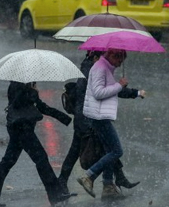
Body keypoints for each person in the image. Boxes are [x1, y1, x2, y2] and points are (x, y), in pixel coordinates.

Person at [58, 51, 142, 195]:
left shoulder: (92, 68)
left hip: (87, 117)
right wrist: (125, 89)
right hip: (88, 118)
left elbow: (108, 91)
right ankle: (91, 179)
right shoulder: (94, 69)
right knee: (109, 150)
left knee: (107, 149)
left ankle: (109, 183)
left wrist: (132, 92)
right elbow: (98, 93)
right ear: (95, 57)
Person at [0, 81, 75, 207]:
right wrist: (32, 91)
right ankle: (55, 194)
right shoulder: (17, 84)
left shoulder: (27, 85)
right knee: (41, 159)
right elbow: (17, 102)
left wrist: (64, 118)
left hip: (22, 128)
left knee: (8, 161)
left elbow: (41, 106)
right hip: (21, 128)